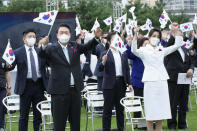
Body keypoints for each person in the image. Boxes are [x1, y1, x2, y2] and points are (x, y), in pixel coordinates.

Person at [39, 24, 102, 131]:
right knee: (59, 125)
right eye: (61, 32)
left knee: (76, 124)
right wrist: (43, 46)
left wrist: (95, 37)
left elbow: (87, 46)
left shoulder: (74, 46)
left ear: (70, 34)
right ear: (57, 35)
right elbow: (42, 54)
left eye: (66, 32)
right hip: (59, 92)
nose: (64, 34)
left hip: (75, 91)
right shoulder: (51, 48)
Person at [131, 25, 184, 131]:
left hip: (162, 82)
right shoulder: (144, 50)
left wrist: (176, 31)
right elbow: (133, 50)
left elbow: (177, 45)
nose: (155, 38)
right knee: (151, 112)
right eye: (153, 36)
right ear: (149, 37)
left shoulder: (161, 49)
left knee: (161, 112)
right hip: (150, 83)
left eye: (158, 36)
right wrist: (135, 34)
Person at [7, 29, 49, 131]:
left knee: (38, 115)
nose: (32, 39)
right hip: (25, 86)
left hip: (39, 85)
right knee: (23, 116)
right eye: (30, 36)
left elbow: (48, 64)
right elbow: (10, 67)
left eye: (34, 37)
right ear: (24, 39)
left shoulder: (40, 52)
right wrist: (8, 64)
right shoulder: (17, 52)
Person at [99, 32, 133, 131]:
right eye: (114, 39)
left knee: (120, 109)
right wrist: (103, 62)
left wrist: (129, 83)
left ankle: (120, 129)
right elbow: (99, 68)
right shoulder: (104, 53)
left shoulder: (122, 52)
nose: (116, 40)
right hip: (109, 85)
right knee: (107, 110)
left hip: (121, 83)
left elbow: (126, 69)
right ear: (109, 41)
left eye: (117, 38)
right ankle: (106, 129)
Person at [164, 23, 195, 130]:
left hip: (185, 79)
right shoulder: (170, 48)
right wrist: (174, 32)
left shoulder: (185, 49)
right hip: (174, 79)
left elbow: (190, 61)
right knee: (173, 103)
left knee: (183, 103)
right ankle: (172, 124)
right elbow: (170, 42)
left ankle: (182, 124)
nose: (180, 38)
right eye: (178, 36)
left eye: (181, 36)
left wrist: (191, 69)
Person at [126, 38, 148, 122]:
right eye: (145, 44)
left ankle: (150, 121)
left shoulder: (151, 53)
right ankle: (137, 121)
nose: (147, 45)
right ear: (141, 45)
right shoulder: (137, 53)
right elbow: (129, 54)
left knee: (149, 103)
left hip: (148, 81)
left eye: (148, 44)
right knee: (137, 102)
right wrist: (128, 44)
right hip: (138, 81)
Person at [0, 56, 11, 131]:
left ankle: (1, 127)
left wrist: (9, 87)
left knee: (1, 107)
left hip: (2, 88)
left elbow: (7, 73)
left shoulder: (3, 59)